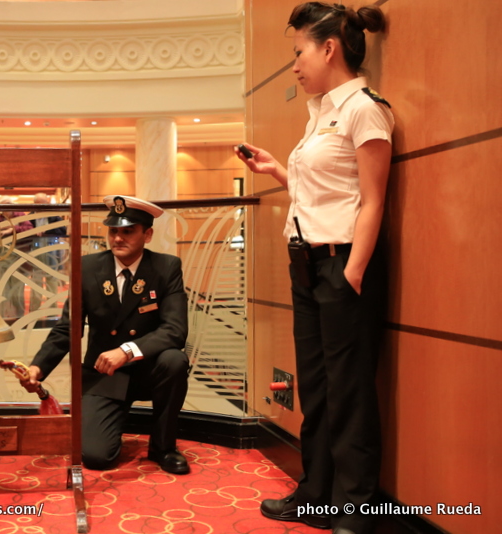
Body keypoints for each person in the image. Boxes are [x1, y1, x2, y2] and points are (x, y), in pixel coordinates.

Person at [236, 4, 393, 534]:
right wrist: (277, 170)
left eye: (299, 52)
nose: (295, 65)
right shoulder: (320, 114)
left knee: (349, 390)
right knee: (317, 387)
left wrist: (353, 273)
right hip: (306, 265)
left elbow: (372, 200)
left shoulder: (365, 109)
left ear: (329, 49)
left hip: (342, 264)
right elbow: (323, 192)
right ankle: (316, 493)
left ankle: (355, 508)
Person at [20, 195, 190, 474]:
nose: (118, 238)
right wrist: (38, 368)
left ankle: (164, 447)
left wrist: (126, 351)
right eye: (113, 231)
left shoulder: (166, 267)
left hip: (148, 370)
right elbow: (68, 327)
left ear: (147, 235)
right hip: (104, 375)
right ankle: (110, 421)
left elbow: (175, 330)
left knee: (175, 360)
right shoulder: (88, 268)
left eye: (128, 231)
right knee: (96, 457)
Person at [0, 196, 34, 321]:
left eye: (9, 204)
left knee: (18, 290)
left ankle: (19, 318)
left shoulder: (20, 216)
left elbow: (30, 229)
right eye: (3, 206)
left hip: (19, 259)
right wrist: (2, 228)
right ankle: (0, 318)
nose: (6, 208)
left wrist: (13, 230)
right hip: (1, 259)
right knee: (2, 290)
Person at [28, 192, 67, 314]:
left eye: (44, 204)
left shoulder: (54, 216)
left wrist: (47, 230)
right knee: (36, 284)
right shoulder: (29, 217)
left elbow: (63, 230)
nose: (42, 207)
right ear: (34, 204)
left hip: (52, 254)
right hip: (35, 255)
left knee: (52, 284)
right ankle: (34, 313)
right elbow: (23, 231)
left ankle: (52, 313)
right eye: (39, 204)